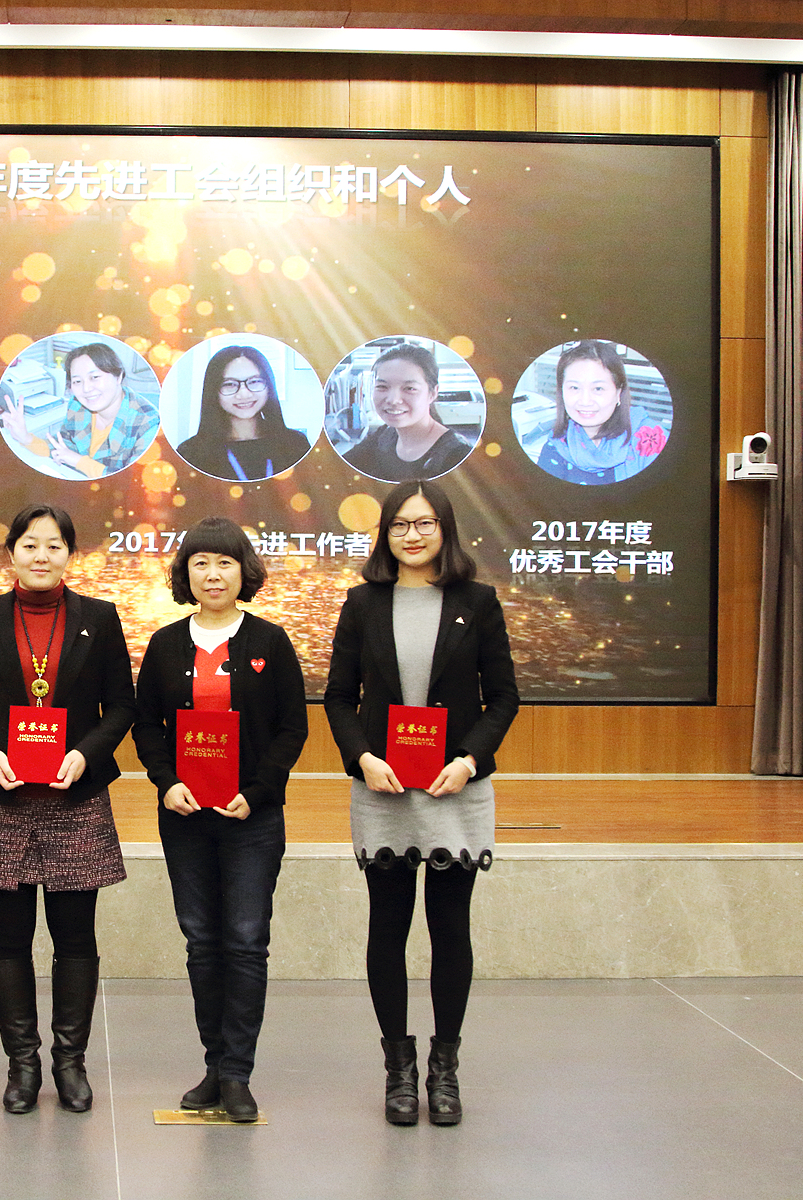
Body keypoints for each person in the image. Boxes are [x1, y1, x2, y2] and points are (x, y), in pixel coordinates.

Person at [322, 481, 519, 1128]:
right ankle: (398, 1068)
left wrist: (468, 761)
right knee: (387, 926)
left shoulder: (478, 602)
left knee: (450, 927)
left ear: (446, 529)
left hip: (453, 789)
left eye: (425, 523)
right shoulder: (362, 603)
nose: (412, 535)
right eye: (400, 525)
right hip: (383, 789)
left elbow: (504, 697)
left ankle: (445, 1066)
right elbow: (339, 697)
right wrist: (362, 757)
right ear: (385, 534)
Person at [0, 504, 137, 1116]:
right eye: (30, 544)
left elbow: (121, 706)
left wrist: (86, 753)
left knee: (75, 937)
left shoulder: (99, 618)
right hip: (1, 799)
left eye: (54, 545)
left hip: (74, 798)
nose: (42, 555)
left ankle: (70, 1062)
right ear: (12, 554)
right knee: (8, 938)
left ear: (69, 554)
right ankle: (22, 1064)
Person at [132, 517, 307, 1123]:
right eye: (201, 562)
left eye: (225, 562)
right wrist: (167, 782)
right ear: (185, 573)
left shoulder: (270, 642)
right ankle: (214, 1064)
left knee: (246, 940)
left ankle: (238, 1073)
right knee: (202, 941)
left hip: (251, 819)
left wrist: (258, 791)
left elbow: (292, 728)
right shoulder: (164, 645)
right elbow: (146, 725)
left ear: (244, 571)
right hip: (186, 817)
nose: (213, 574)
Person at [0, 342, 158, 479]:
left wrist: (79, 462)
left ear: (119, 377)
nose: (86, 389)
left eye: (95, 377)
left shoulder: (149, 423)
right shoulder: (78, 405)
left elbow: (131, 482)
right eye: (77, 381)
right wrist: (26, 438)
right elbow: (62, 448)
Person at [533, 339, 664, 485]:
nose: (585, 401)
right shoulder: (557, 446)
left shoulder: (651, 440)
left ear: (618, 393)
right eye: (574, 388)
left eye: (598, 388)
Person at [174, 345, 312, 481]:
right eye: (229, 384)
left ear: (269, 386)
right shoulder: (191, 453)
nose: (244, 394)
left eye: (254, 381)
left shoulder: (295, 444)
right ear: (213, 391)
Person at [341, 344, 473, 482]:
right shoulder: (385, 435)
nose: (393, 400)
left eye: (409, 388)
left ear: (433, 393)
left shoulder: (458, 455)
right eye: (382, 386)